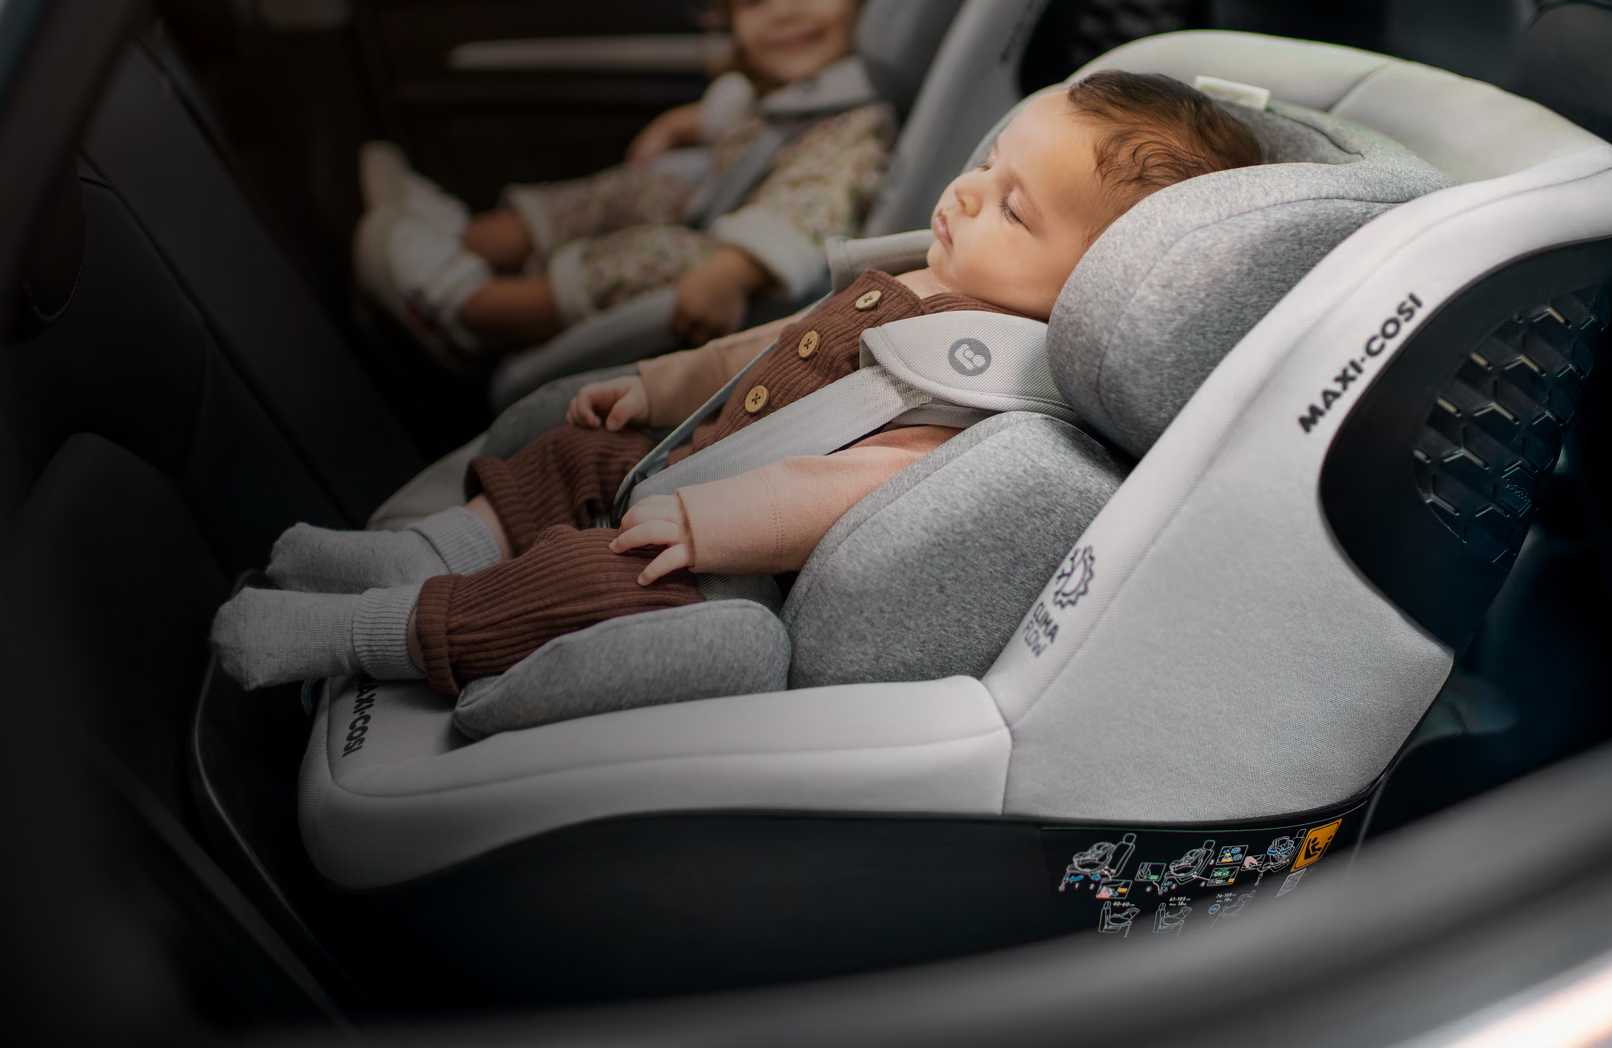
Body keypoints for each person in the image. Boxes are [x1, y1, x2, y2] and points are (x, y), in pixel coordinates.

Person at [212, 72, 1263, 695]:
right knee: (574, 454)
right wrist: (661, 391)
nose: (968, 192)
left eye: (1013, 210)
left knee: (591, 580)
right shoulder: (923, 278)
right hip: (691, 457)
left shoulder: (994, 388)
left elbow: (843, 492)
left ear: (1091, 291)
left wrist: (708, 529)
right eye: (988, 164)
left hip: (726, 556)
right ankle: (407, 559)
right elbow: (770, 346)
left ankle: (368, 635)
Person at [355, 0, 898, 364]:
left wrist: (732, 272)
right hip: (722, 207)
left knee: (654, 257)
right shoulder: (797, 87)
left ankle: (471, 309)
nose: (783, 11)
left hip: (746, 259)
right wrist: (679, 126)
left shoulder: (857, 126)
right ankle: (465, 237)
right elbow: (756, 123)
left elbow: (809, 209)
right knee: (634, 190)